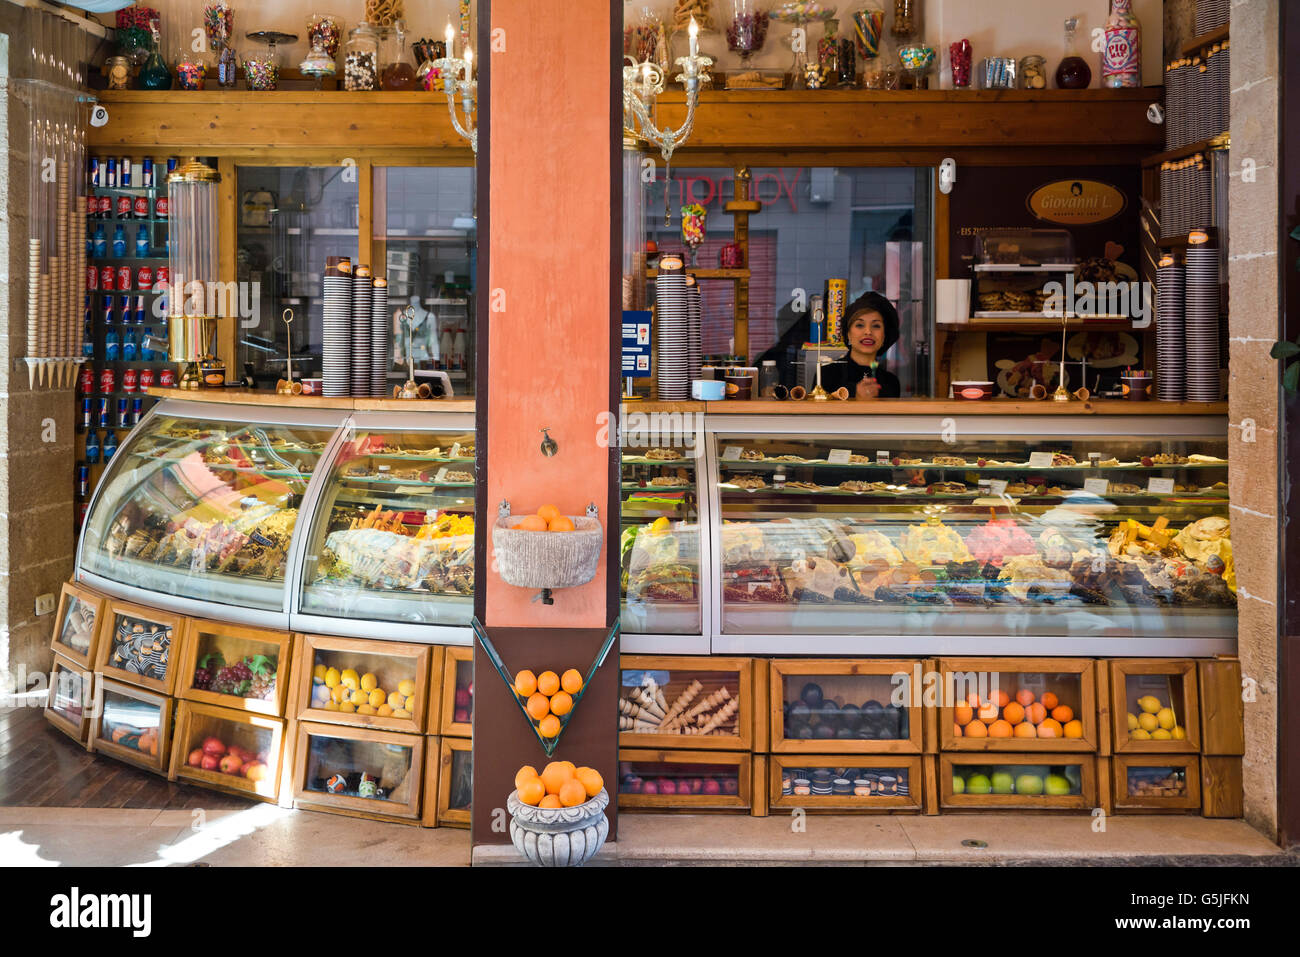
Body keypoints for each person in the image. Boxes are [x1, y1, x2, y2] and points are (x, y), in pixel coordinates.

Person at [817, 291, 902, 399]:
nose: (868, 332)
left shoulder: (891, 383)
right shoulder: (826, 375)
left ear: (884, 336)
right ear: (848, 334)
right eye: (860, 325)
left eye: (876, 326)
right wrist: (852, 393)